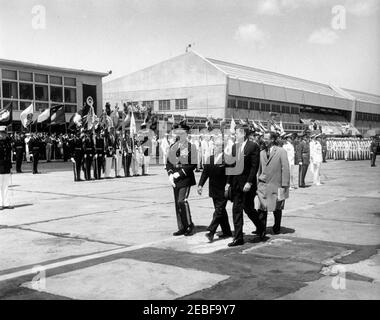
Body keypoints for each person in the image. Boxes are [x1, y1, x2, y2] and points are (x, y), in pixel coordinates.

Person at [225, 125, 261, 246]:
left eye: (237, 133)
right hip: (236, 184)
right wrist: (228, 182)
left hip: (247, 185)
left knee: (248, 209)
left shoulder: (253, 146)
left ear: (244, 134)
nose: (235, 135)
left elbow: (254, 166)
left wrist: (249, 182)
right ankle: (238, 237)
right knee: (236, 210)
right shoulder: (234, 147)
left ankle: (260, 227)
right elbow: (231, 165)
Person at [198, 135, 232, 242]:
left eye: (218, 145)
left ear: (222, 147)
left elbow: (230, 174)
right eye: (215, 145)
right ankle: (227, 231)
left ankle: (211, 232)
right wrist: (200, 185)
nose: (215, 147)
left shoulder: (227, 159)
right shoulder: (210, 158)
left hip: (223, 190)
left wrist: (228, 184)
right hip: (213, 189)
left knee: (218, 211)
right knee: (221, 211)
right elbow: (205, 173)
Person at [166, 122, 197, 236]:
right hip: (175, 178)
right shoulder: (173, 146)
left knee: (182, 201)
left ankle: (189, 225)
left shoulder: (191, 147)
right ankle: (181, 226)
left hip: (185, 178)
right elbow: (168, 162)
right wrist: (170, 174)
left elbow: (192, 164)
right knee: (177, 204)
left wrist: (179, 174)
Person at [257, 131, 290, 235]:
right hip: (263, 186)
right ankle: (261, 229)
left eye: (267, 138)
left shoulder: (281, 151)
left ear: (272, 140)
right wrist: (256, 184)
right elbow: (259, 170)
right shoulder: (261, 153)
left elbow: (285, 168)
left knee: (277, 208)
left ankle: (277, 227)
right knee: (262, 208)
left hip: (277, 185)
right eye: (263, 138)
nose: (264, 140)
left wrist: (285, 185)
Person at [0, 126, 13, 210]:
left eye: (5, 133)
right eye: (2, 133)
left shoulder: (8, 143)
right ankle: (0, 203)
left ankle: (6, 203)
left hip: (6, 166)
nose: (4, 135)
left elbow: (9, 155)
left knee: (6, 185)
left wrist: (10, 167)